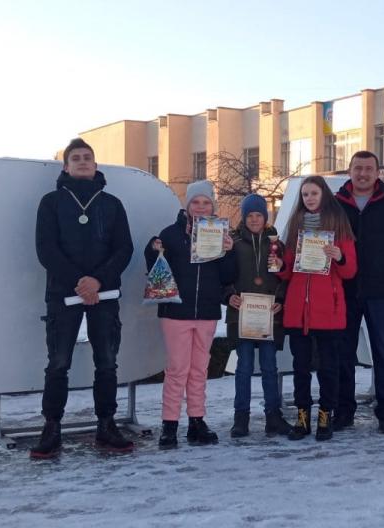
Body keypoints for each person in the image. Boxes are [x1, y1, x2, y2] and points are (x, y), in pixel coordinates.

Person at [31, 138, 135, 459]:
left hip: (106, 294)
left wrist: (97, 281)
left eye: (87, 157)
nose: (82, 161)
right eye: (75, 158)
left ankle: (106, 425)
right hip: (63, 295)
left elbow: (124, 249)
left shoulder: (112, 204)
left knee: (106, 362)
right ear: (66, 166)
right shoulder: (51, 202)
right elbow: (46, 250)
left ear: (95, 164)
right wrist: (80, 282)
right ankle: (51, 427)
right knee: (58, 363)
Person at [146, 180, 235, 450]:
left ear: (213, 206)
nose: (200, 207)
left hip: (207, 311)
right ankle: (169, 424)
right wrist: (152, 249)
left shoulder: (220, 233)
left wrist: (228, 253)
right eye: (195, 202)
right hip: (176, 311)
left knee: (199, 369)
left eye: (206, 202)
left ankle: (197, 421)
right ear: (187, 205)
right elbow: (156, 269)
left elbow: (228, 276)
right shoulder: (170, 234)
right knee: (177, 370)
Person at [334, 151, 384, 436]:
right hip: (343, 291)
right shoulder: (336, 204)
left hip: (379, 291)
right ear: (349, 171)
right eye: (358, 168)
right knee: (343, 354)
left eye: (369, 169)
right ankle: (344, 412)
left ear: (378, 173)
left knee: (383, 353)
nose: (363, 174)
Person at [274, 176, 357, 441]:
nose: (309, 198)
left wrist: (339, 257)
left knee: (328, 369)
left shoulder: (339, 226)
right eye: (305, 194)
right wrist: (279, 265)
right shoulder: (295, 227)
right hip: (298, 311)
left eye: (314, 193)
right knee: (300, 369)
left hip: (327, 311)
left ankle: (325, 415)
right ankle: (302, 417)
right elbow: (287, 272)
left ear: (324, 195)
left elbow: (350, 271)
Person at [221, 194, 293, 438]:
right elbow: (223, 275)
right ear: (244, 217)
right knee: (243, 368)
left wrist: (281, 300)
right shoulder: (232, 243)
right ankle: (240, 418)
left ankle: (273, 416)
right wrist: (229, 295)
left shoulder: (277, 244)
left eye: (258, 215)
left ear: (265, 217)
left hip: (269, 316)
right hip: (242, 315)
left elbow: (286, 277)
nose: (254, 219)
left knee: (270, 367)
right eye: (250, 215)